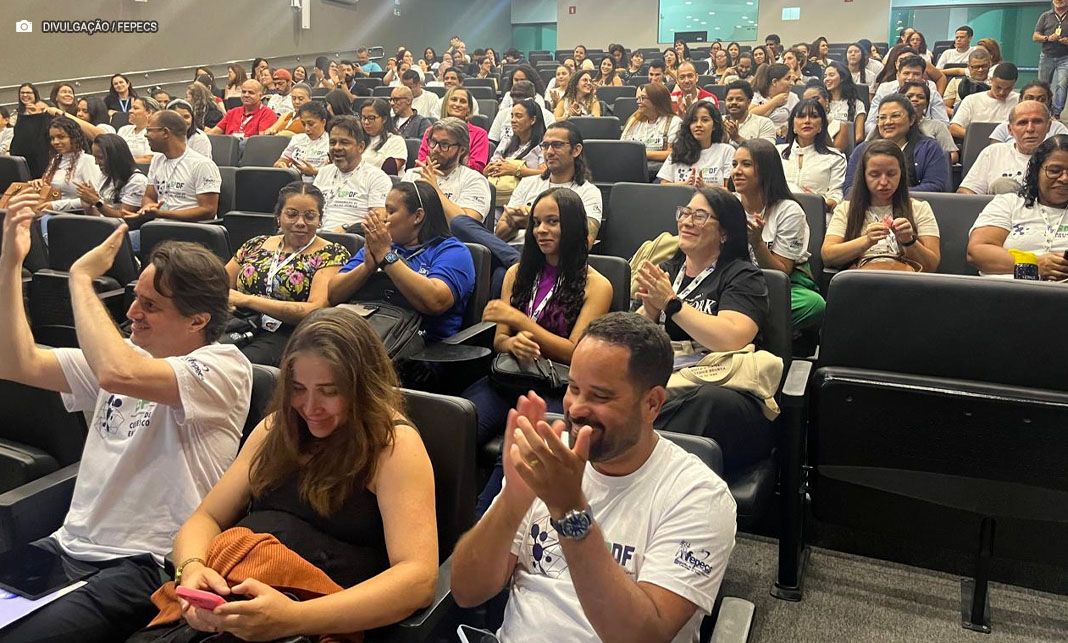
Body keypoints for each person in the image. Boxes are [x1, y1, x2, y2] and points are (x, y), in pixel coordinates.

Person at [0, 194, 251, 642]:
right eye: (136, 297)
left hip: (143, 565)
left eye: (150, 305)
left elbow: (118, 374)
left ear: (198, 320)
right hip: (66, 545)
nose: (132, 312)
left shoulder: (225, 367)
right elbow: (15, 361)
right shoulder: (124, 355)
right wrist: (10, 265)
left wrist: (79, 278)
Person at [150, 306, 436, 641]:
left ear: (363, 387)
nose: (310, 407)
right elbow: (206, 518)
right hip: (237, 599)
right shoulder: (276, 428)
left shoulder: (392, 445)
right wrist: (192, 570)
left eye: (329, 391)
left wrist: (294, 618)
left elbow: (418, 579)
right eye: (298, 388)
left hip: (314, 620)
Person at [451, 311, 736, 642]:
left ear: (652, 404)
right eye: (573, 388)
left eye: (600, 396)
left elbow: (644, 636)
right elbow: (466, 591)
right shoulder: (546, 461)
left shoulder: (698, 495)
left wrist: (570, 511)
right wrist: (513, 500)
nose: (575, 408)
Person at [463, 189, 613, 505]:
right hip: (509, 375)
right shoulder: (519, 273)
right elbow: (498, 339)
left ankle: (485, 527)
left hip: (554, 387)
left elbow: (575, 352)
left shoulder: (598, 285)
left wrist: (520, 321)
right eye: (536, 223)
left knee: (518, 451)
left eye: (552, 222)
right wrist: (512, 341)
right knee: (452, 429)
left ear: (572, 226)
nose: (541, 231)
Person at [635, 189, 776, 472]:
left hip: (719, 384)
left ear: (724, 232)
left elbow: (731, 337)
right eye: (684, 213)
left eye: (700, 216)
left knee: (711, 402)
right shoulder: (667, 270)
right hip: (669, 380)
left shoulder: (742, 275)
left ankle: (639, 451)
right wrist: (650, 310)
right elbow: (634, 339)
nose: (687, 221)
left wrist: (673, 304)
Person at [329, 181, 476, 341]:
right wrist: (366, 267)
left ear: (418, 216)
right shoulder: (380, 246)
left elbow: (435, 301)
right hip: (365, 335)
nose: (383, 217)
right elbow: (334, 294)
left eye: (391, 211)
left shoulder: (452, 251)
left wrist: (387, 258)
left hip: (423, 352)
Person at [225, 182, 349, 366]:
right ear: (278, 217)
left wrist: (246, 300)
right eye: (291, 214)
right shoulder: (256, 244)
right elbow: (219, 284)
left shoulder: (331, 253)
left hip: (290, 332)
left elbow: (315, 309)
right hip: (239, 321)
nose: (300, 223)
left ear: (320, 220)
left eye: (310, 216)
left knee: (233, 365)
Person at [735, 139, 825, 329]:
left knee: (814, 304)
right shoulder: (729, 204)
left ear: (767, 170)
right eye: (735, 164)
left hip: (779, 285)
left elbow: (781, 271)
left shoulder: (789, 211)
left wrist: (757, 243)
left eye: (746, 164)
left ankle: (740, 322)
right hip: (737, 283)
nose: (737, 171)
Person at [824, 139, 941, 272]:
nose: (884, 182)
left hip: (907, 282)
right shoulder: (846, 209)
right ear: (864, 176)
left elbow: (932, 265)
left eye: (891, 174)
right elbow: (828, 255)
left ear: (901, 174)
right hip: (861, 280)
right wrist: (866, 241)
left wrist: (909, 241)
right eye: (875, 175)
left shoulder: (920, 208)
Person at [968, 134, 1068, 279]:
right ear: (1036, 172)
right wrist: (1035, 264)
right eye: (1054, 171)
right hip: (1006, 294)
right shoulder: (1008, 204)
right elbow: (977, 252)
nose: (1064, 178)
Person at [499, 121, 602, 245]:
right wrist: (513, 223)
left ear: (576, 150)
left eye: (557, 145)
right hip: (510, 250)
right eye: (545, 146)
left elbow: (586, 242)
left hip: (551, 257)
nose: (549, 152)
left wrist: (533, 221)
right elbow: (498, 236)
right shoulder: (527, 183)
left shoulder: (588, 192)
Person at [848, 95, 950, 193]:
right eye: (882, 118)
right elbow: (850, 189)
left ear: (912, 119)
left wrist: (890, 195)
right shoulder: (863, 150)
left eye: (895, 116)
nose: (888, 122)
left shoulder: (929, 148)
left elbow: (934, 186)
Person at [311, 115, 392, 232]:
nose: (337, 148)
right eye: (333, 142)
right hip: (314, 236)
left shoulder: (377, 177)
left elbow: (378, 219)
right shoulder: (324, 172)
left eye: (344, 142)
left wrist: (347, 228)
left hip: (350, 239)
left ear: (360, 147)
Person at [139, 110, 222, 222]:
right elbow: (149, 196)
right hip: (157, 227)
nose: (146, 135)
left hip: (189, 231)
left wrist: (163, 214)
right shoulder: (157, 160)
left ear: (165, 132)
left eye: (149, 130)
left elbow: (208, 210)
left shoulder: (202, 165)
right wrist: (148, 207)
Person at [959, 101, 1052, 195]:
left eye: (1037, 122)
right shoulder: (993, 152)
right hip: (996, 208)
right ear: (1010, 130)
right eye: (1022, 123)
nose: (1030, 129)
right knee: (1003, 186)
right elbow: (966, 191)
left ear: (1048, 126)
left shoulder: (1060, 157)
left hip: (1042, 209)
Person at [776, 99, 847, 212]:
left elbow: (836, 195)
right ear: (793, 125)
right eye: (801, 116)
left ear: (821, 125)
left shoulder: (836, 158)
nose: (807, 121)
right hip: (780, 213)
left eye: (814, 116)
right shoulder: (776, 153)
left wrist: (815, 202)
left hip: (818, 215)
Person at [29, 116, 103, 212]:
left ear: (74, 137)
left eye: (61, 137)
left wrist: (55, 206)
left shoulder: (87, 161)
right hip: (51, 213)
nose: (55, 142)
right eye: (52, 138)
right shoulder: (56, 160)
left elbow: (95, 199)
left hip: (76, 216)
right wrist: (40, 183)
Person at [657, 100, 735, 188]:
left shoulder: (726, 151)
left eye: (705, 120)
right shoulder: (679, 149)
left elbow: (730, 191)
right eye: (694, 120)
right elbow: (663, 185)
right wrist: (685, 185)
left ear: (714, 125)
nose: (698, 125)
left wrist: (705, 186)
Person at [485, 98, 547, 206]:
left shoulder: (544, 145)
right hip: (498, 196)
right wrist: (488, 170)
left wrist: (516, 171)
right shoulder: (506, 141)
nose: (513, 120)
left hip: (528, 198)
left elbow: (545, 173)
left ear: (532, 120)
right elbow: (488, 170)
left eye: (518, 116)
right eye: (512, 116)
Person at [867, 53, 950, 135]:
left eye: (916, 74)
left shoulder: (932, 94)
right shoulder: (884, 90)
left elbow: (943, 124)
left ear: (923, 77)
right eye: (906, 73)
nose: (910, 78)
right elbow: (869, 124)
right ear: (898, 75)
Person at [75, 133, 148, 219]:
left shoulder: (137, 181)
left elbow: (124, 217)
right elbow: (100, 216)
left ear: (115, 157)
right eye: (95, 157)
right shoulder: (105, 176)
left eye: (100, 158)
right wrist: (88, 205)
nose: (96, 163)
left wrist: (96, 201)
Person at [416, 86, 489, 172]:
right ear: (446, 104)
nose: (457, 104)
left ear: (469, 109)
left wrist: (446, 164)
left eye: (462, 101)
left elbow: (478, 168)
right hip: (430, 174)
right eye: (454, 99)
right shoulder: (430, 131)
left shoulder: (479, 134)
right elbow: (420, 163)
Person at [950, 63, 1020, 140]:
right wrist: (978, 137)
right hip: (976, 142)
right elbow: (954, 128)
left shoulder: (1019, 101)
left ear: (1014, 85)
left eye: (1007, 89)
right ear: (991, 81)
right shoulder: (971, 100)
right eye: (998, 87)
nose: (1002, 92)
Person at [900, 80, 960, 164]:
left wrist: (933, 163)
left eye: (920, 97)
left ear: (927, 103)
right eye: (909, 96)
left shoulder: (937, 126)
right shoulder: (893, 125)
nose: (914, 99)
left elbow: (953, 155)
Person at [990, 81, 1068, 142]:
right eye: (1029, 98)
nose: (1035, 102)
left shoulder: (1058, 128)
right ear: (1020, 100)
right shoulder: (1004, 128)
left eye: (1041, 99)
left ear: (1049, 101)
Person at [621, 83, 681, 163]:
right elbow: (622, 147)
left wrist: (642, 153)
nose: (638, 102)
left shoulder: (674, 122)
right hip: (632, 165)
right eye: (638, 98)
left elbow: (672, 153)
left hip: (659, 170)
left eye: (643, 98)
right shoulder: (634, 120)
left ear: (656, 100)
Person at [274, 101, 331, 183]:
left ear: (323, 122)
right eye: (303, 124)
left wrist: (314, 172)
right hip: (292, 183)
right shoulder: (297, 139)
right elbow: (280, 161)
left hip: (318, 183)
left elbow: (335, 172)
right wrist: (281, 165)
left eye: (311, 124)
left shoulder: (332, 142)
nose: (307, 129)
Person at [490, 81, 554, 145]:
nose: (516, 100)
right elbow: (492, 141)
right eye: (513, 97)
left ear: (533, 99)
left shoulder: (548, 116)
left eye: (520, 97)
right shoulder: (503, 114)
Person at [206, 80, 278, 138]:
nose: (246, 95)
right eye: (243, 92)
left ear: (260, 96)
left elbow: (260, 141)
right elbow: (214, 133)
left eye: (251, 93)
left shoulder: (267, 114)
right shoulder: (232, 112)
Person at [1035, 0, 1068, 119]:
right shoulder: (1045, 16)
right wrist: (1048, 38)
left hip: (1065, 57)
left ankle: (1056, 114)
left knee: (1062, 84)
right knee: (1042, 85)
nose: (1059, 1)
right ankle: (1042, 110)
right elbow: (1035, 36)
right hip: (1047, 56)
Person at [360, 98, 408, 175]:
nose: (366, 122)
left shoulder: (395, 141)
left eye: (371, 118)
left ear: (384, 119)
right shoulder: (357, 140)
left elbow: (390, 171)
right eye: (363, 118)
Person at [723, 80, 777, 147]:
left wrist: (737, 138)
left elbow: (768, 151)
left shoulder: (764, 123)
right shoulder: (717, 122)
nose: (734, 102)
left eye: (739, 99)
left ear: (749, 102)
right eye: (730, 99)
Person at [823, 61, 866, 145]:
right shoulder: (822, 102)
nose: (827, 79)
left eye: (831, 75)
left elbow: (859, 135)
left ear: (842, 78)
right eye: (825, 76)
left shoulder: (857, 104)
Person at [751, 63, 800, 135]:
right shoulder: (758, 95)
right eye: (787, 79)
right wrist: (774, 102)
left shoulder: (793, 98)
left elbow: (798, 121)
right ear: (774, 82)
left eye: (791, 79)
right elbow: (750, 115)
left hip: (781, 138)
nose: (792, 83)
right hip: (757, 135)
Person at [943, 47, 993, 113]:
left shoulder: (994, 84)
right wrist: (959, 114)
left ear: (990, 65)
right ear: (969, 67)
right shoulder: (956, 81)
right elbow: (945, 107)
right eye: (976, 67)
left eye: (984, 66)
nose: (980, 69)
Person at [118, 96, 160, 164]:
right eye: (131, 108)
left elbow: (149, 159)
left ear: (149, 112)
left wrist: (122, 162)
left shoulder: (155, 133)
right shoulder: (123, 129)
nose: (130, 111)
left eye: (135, 108)